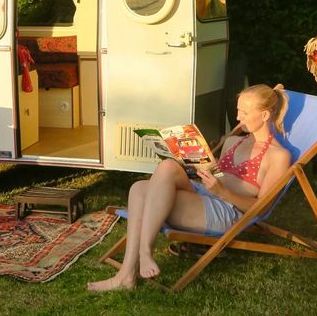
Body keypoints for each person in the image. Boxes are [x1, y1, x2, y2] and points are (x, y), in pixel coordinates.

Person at [87, 84, 291, 291]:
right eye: (238, 110)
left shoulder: (278, 156)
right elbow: (222, 175)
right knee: (146, 182)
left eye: (245, 112)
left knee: (142, 192)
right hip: (205, 193)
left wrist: (222, 192)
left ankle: (139, 257)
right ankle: (127, 273)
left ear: (265, 115)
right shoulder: (233, 142)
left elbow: (261, 208)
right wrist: (208, 168)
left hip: (228, 210)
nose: (238, 117)